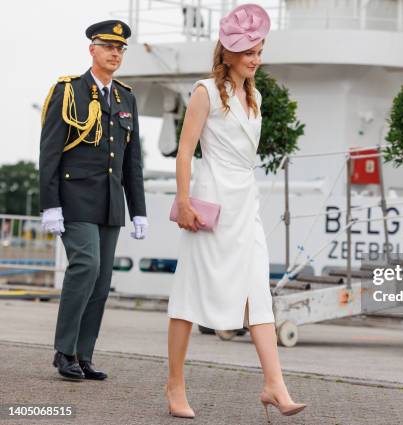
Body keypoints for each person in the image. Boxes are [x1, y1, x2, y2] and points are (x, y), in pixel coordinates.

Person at [165, 3, 306, 421]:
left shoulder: (256, 96)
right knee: (189, 294)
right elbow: (185, 151)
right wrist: (185, 201)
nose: (256, 60)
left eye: (259, 51)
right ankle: (175, 384)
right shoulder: (204, 91)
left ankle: (274, 385)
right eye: (249, 52)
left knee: (258, 293)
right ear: (227, 53)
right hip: (210, 204)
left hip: (246, 203)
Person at [39, 20, 148, 381]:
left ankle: (84, 355)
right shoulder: (69, 90)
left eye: (120, 49)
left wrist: (139, 212)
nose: (115, 53)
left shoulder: (125, 97)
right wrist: (49, 204)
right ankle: (64, 351)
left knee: (101, 282)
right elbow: (50, 151)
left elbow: (132, 161)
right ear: (92, 50)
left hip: (110, 204)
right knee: (85, 266)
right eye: (108, 46)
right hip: (74, 199)